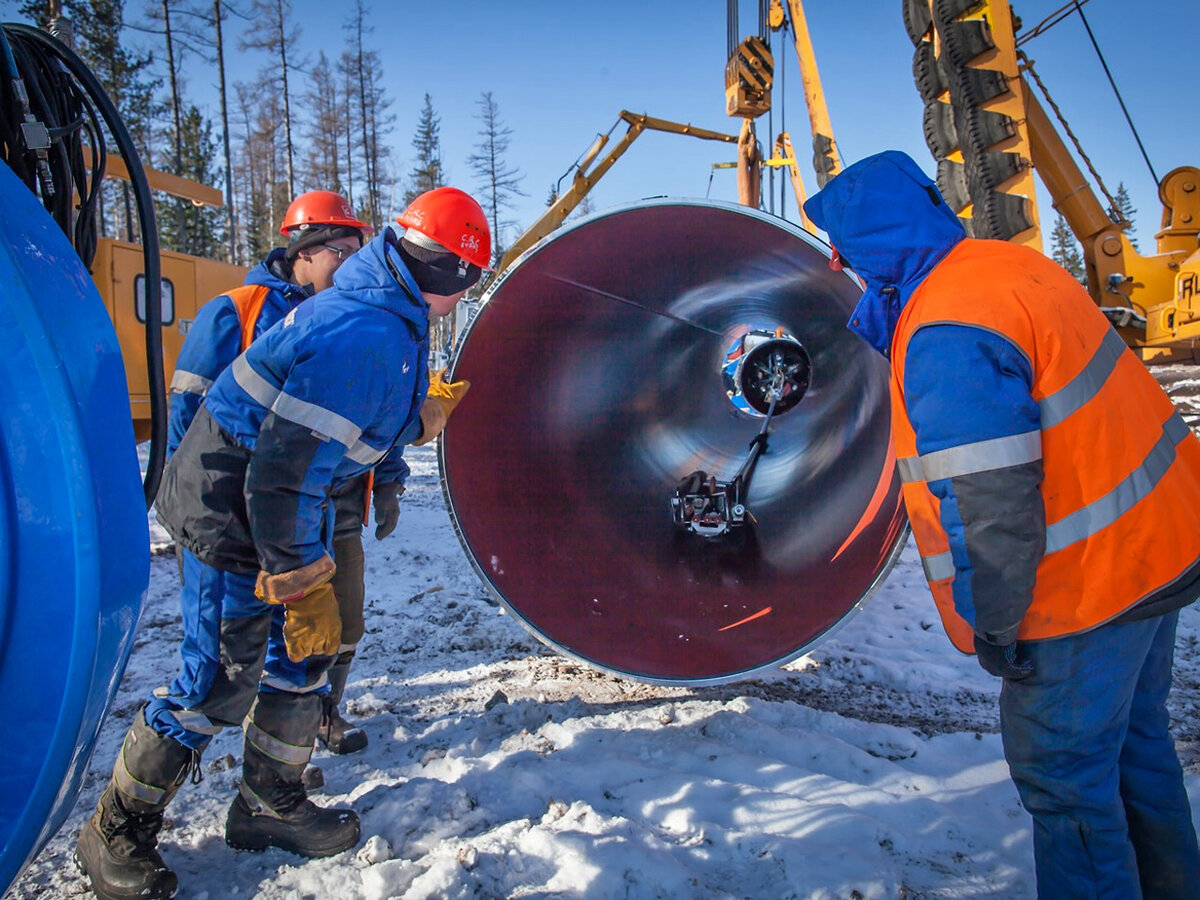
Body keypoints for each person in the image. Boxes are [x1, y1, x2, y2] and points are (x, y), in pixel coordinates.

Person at [803, 149, 1200, 899]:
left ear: (865, 250)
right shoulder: (1003, 269)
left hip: (1086, 588)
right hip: (1161, 546)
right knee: (1137, 749)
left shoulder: (946, 333)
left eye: (845, 256)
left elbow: (989, 500)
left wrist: (997, 621)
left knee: (1066, 783)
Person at [75, 186, 488, 899]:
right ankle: (115, 827)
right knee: (218, 680)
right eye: (469, 284)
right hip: (231, 504)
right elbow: (279, 472)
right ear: (448, 275)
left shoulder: (397, 316)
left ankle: (269, 802)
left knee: (302, 655)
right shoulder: (364, 330)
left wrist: (407, 437)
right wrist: (299, 582)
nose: (465, 299)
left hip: (286, 497)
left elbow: (348, 430)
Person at [168, 190, 404, 762]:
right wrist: (196, 519)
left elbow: (377, 409)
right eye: (340, 251)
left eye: (358, 250)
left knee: (320, 636)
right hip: (242, 514)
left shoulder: (354, 318)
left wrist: (391, 476)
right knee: (226, 662)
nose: (351, 264)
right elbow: (189, 419)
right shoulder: (237, 311)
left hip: (328, 504)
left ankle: (290, 759)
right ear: (302, 251)